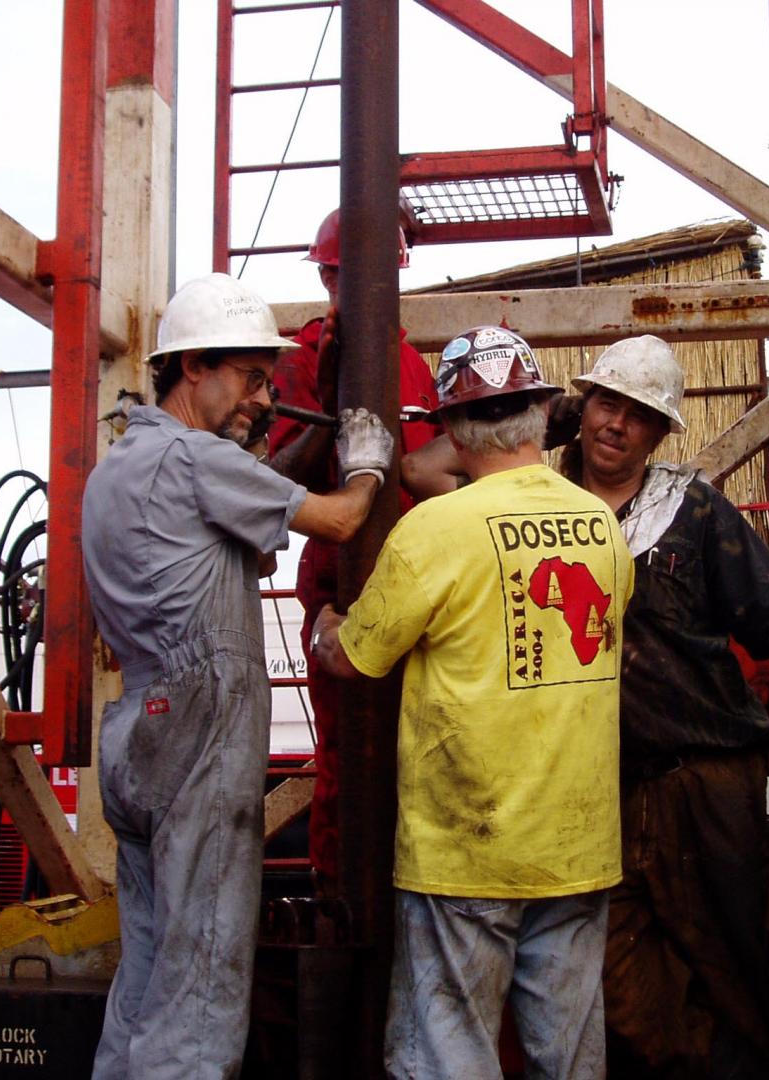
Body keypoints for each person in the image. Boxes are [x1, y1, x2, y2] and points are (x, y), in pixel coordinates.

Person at [402, 334, 769, 1078]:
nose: (616, 425)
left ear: (661, 432)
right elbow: (421, 468)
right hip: (593, 789)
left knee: (727, 963)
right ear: (577, 409)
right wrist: (547, 422)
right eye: (605, 404)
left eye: (639, 414)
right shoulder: (523, 503)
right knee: (614, 983)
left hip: (707, 777)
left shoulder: (692, 511)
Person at [81, 272, 394, 1079]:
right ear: (194, 367)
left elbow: (251, 539)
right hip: (201, 730)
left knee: (149, 968)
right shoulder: (192, 458)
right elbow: (338, 519)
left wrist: (276, 451)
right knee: (206, 975)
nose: (263, 395)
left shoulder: (122, 465)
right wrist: (366, 463)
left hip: (135, 733)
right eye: (252, 377)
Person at [311, 326, 635, 1079]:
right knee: (571, 1060)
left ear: (453, 427)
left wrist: (329, 624)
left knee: (449, 1055)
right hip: (578, 845)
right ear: (543, 411)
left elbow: (355, 660)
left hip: (466, 850)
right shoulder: (601, 527)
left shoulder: (436, 530)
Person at [266, 207, 442, 889]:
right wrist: (335, 389)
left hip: (428, 591)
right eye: (341, 277)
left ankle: (415, 900)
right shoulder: (305, 356)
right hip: (345, 589)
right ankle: (344, 908)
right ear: (327, 276)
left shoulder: (413, 365)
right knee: (350, 760)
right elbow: (285, 482)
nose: (355, 291)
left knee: (426, 760)